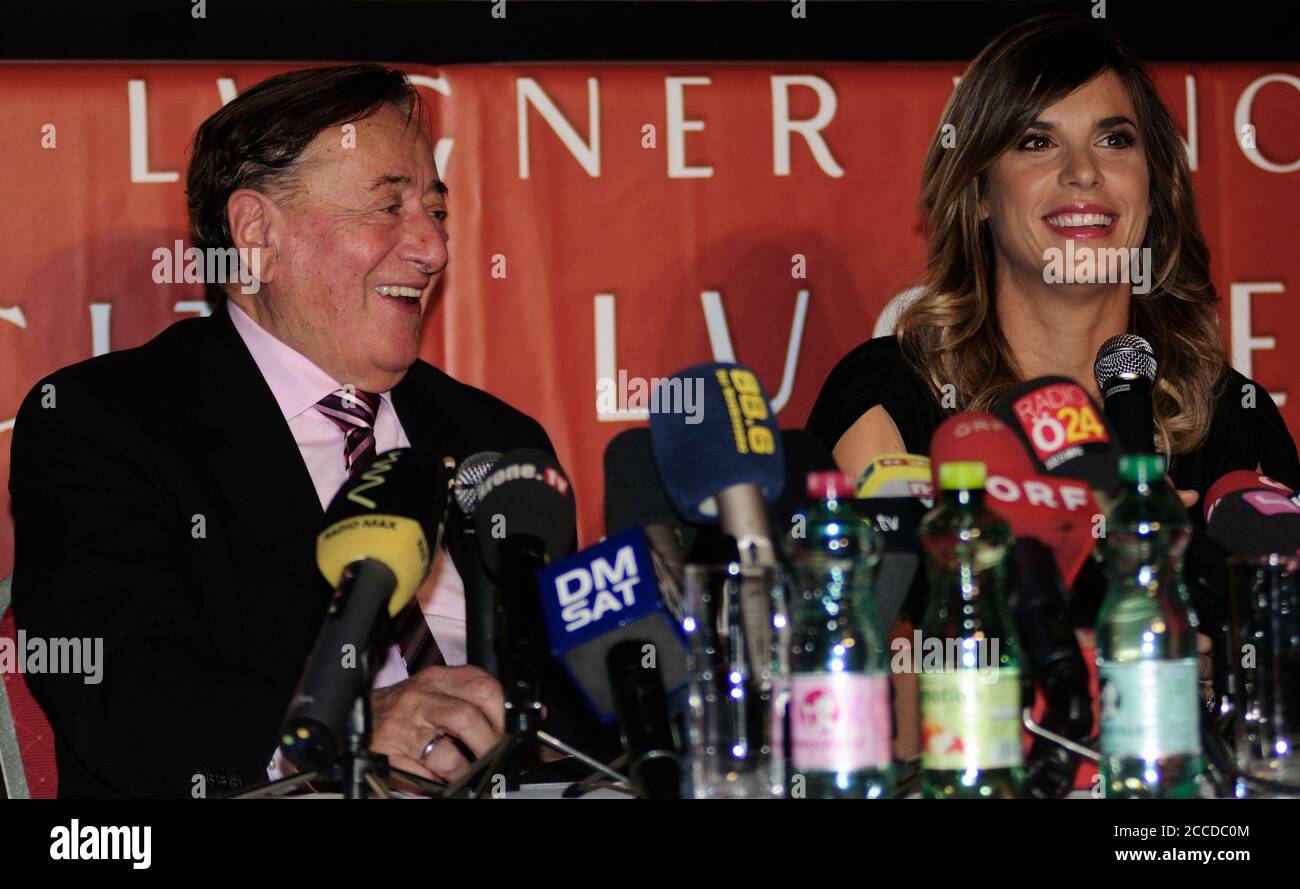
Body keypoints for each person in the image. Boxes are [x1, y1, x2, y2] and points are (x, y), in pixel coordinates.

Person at [8, 65, 595, 798]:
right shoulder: (107, 424)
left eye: (437, 213)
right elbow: (126, 681)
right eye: (389, 207)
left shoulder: (493, 439)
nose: (433, 248)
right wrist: (346, 732)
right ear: (256, 233)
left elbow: (569, 695)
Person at [806, 14, 1300, 760]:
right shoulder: (892, 396)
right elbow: (861, 695)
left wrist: (1228, 676)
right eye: (1036, 142)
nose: (1083, 172)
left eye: (1114, 139)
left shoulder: (1230, 416)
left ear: (1154, 189)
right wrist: (1102, 672)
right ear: (976, 194)